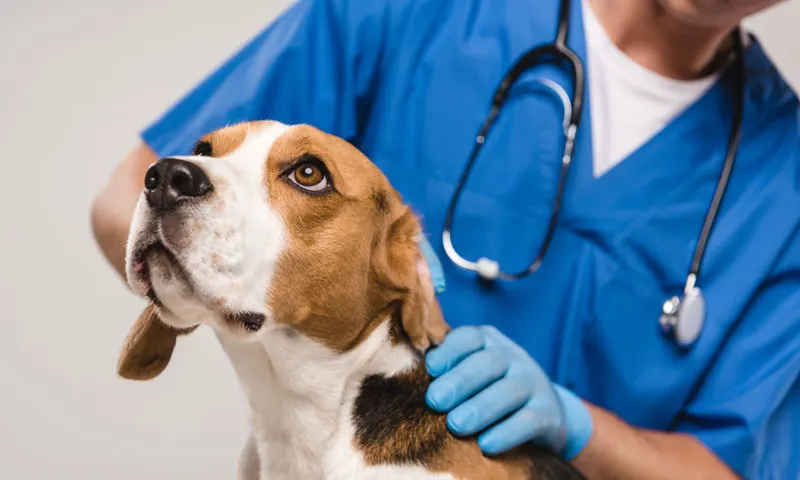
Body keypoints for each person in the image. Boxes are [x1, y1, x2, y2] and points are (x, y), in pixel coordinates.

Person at [91, 0, 799, 478]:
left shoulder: (785, 178)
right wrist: (223, 285)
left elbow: (731, 466)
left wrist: (573, 422)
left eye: (306, 176)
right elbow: (135, 198)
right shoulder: (413, 12)